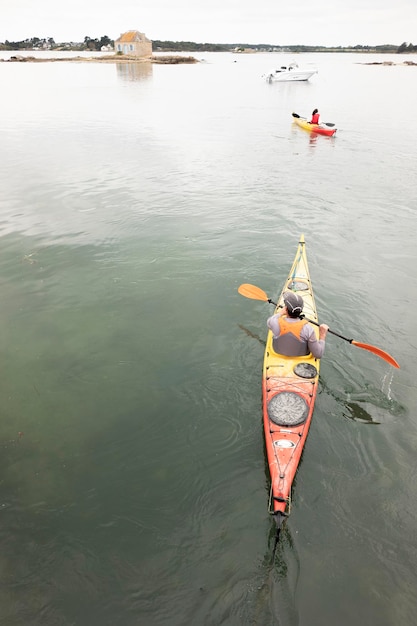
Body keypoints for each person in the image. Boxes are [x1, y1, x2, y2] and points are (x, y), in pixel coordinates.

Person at [267, 291, 329, 358]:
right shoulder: (308, 329)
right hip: (301, 360)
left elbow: (269, 321)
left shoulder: (275, 322)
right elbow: (318, 355)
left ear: (286, 309)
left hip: (277, 355)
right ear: (301, 310)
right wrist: (322, 334)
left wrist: (281, 313)